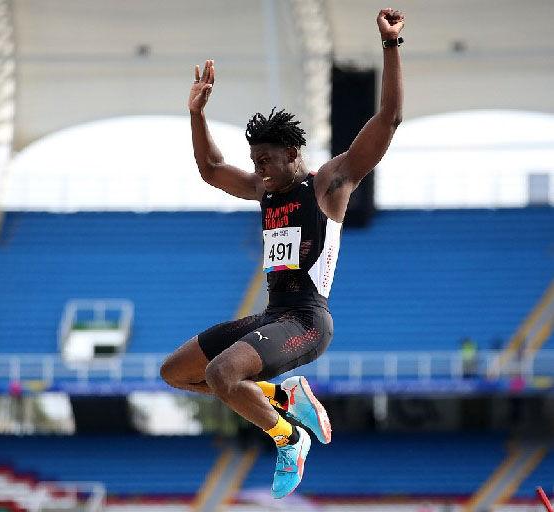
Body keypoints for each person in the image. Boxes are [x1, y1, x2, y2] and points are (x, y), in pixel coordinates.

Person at [161, 8, 405, 499]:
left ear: (295, 154)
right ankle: (283, 396)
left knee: (221, 373)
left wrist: (391, 46)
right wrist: (197, 114)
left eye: (268, 161)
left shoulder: (329, 184)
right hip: (275, 317)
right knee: (176, 373)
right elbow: (210, 168)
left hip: (308, 323)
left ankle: (289, 438)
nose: (261, 172)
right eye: (255, 162)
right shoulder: (264, 188)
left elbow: (388, 118)